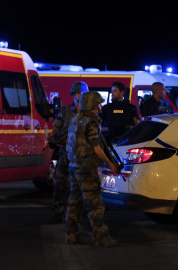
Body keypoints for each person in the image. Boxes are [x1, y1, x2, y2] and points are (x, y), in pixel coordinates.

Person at [65, 91, 118, 247]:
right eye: (98, 104)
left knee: (74, 202)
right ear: (93, 105)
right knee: (94, 203)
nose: (100, 107)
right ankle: (101, 236)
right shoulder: (91, 122)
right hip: (86, 168)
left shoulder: (76, 119)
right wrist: (109, 162)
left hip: (73, 166)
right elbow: (96, 149)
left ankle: (71, 236)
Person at [46, 81, 88, 224]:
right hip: (66, 152)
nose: (80, 96)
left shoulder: (90, 112)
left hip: (82, 154)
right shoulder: (65, 111)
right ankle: (59, 211)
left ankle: (82, 214)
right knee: (59, 183)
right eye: (77, 93)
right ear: (73, 94)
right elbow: (57, 128)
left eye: (82, 93)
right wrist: (53, 138)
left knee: (82, 186)